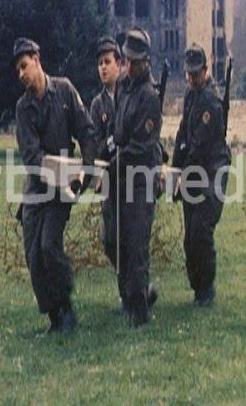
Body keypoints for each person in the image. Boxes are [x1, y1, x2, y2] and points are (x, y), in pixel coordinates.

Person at [12, 37, 97, 333]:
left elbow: (86, 131)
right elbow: (32, 157)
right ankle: (54, 317)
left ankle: (67, 307)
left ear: (37, 59)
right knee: (33, 255)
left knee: (49, 245)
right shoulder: (23, 109)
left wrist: (85, 170)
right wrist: (52, 174)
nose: (22, 74)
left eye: (25, 65)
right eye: (17, 70)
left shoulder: (64, 90)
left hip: (64, 187)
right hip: (37, 188)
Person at [109, 28, 162, 327]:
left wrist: (116, 160)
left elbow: (142, 146)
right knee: (118, 241)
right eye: (127, 60)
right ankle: (133, 296)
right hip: (121, 173)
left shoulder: (149, 96)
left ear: (146, 62)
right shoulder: (125, 86)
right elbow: (119, 130)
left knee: (137, 242)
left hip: (141, 176)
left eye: (136, 62)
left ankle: (139, 314)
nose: (130, 66)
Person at [172, 44, 231, 306]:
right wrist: (175, 169)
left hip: (212, 170)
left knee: (200, 231)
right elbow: (183, 134)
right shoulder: (191, 96)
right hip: (193, 171)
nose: (192, 78)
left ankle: (206, 291)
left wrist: (182, 172)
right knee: (190, 236)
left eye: (196, 74)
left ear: (206, 70)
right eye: (189, 74)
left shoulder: (210, 102)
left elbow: (200, 145)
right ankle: (197, 288)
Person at [89, 37, 123, 304]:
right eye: (100, 63)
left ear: (119, 65)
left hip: (131, 175)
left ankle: (134, 294)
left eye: (108, 62)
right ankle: (130, 285)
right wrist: (112, 142)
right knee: (109, 239)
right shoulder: (97, 105)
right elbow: (94, 143)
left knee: (132, 238)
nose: (103, 68)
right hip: (109, 178)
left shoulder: (130, 95)